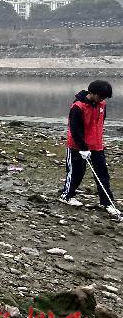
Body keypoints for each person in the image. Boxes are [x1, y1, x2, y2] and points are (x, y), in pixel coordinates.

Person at [60, 80, 118, 216]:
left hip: (97, 146)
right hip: (77, 146)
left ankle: (107, 203)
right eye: (101, 96)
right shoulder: (78, 107)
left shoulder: (102, 104)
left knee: (102, 175)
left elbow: (99, 123)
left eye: (104, 97)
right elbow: (75, 130)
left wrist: (98, 141)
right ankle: (66, 196)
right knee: (76, 173)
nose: (102, 99)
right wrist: (83, 148)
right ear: (92, 93)